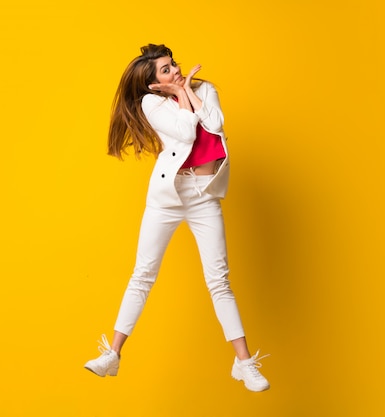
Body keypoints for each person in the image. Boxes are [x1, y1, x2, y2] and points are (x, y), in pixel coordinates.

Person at [83, 44, 270, 392]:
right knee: (143, 274)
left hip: (203, 194)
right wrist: (178, 95)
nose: (176, 71)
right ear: (154, 83)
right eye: (166, 71)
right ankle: (112, 354)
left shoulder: (205, 89)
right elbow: (185, 133)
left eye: (174, 65)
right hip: (168, 197)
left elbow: (214, 123)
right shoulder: (151, 103)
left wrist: (187, 91)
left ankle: (244, 363)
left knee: (219, 281)